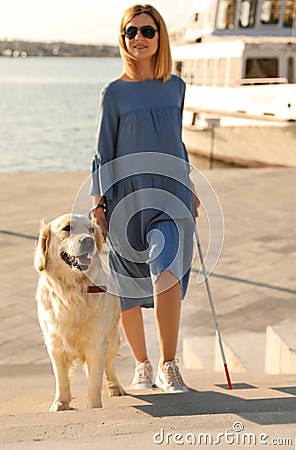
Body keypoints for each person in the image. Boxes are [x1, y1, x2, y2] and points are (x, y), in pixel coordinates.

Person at [90, 4, 200, 393]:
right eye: (130, 32)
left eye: (147, 31)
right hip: (125, 200)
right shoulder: (114, 93)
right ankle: (142, 365)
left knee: (166, 269)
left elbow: (177, 143)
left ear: (160, 36)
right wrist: (99, 203)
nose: (138, 39)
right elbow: (104, 151)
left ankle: (169, 365)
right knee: (129, 286)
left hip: (171, 196)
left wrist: (192, 188)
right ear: (123, 39)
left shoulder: (176, 87)